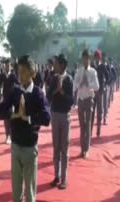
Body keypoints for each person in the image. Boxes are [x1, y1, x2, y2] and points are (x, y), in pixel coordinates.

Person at [0, 55, 51, 202]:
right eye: (18, 71)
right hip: (15, 147)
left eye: (24, 72)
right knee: (16, 194)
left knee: (30, 195)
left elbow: (46, 118)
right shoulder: (14, 91)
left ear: (33, 72)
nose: (20, 75)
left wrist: (27, 117)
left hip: (30, 149)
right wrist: (13, 115)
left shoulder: (38, 94)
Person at [47, 54, 74, 189]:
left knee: (65, 147)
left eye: (57, 63)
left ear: (62, 65)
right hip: (55, 114)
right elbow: (47, 96)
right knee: (56, 147)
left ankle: (64, 179)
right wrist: (54, 91)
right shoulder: (53, 79)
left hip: (65, 116)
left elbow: (72, 101)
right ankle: (56, 176)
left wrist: (62, 93)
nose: (55, 65)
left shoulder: (69, 80)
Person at [74, 50, 99, 159]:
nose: (85, 60)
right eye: (84, 58)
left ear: (90, 59)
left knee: (88, 124)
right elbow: (74, 85)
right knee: (82, 125)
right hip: (81, 99)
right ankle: (82, 149)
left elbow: (97, 86)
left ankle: (86, 149)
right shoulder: (79, 71)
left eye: (87, 58)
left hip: (89, 99)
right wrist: (80, 83)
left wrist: (89, 84)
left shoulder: (93, 72)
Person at [0, 59, 19, 144]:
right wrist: (0, 91)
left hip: (12, 100)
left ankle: (13, 135)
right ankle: (7, 136)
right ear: (4, 66)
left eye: (9, 65)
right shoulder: (2, 75)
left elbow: (18, 84)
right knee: (6, 118)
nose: (7, 67)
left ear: (11, 67)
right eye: (6, 65)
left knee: (12, 118)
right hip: (5, 99)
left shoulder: (13, 76)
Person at [91, 50, 109, 138]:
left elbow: (108, 76)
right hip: (92, 91)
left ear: (100, 58)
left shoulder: (102, 66)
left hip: (100, 91)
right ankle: (90, 131)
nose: (96, 59)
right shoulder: (91, 66)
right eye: (95, 57)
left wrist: (105, 85)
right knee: (91, 111)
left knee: (99, 111)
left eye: (98, 57)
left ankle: (98, 130)